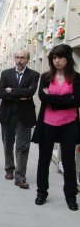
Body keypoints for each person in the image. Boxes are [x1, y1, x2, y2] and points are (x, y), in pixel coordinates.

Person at [31, 44, 80, 211]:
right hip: (48, 124)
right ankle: (42, 192)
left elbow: (77, 100)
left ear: (68, 58)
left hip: (69, 124)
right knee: (43, 160)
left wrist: (52, 98)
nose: (57, 61)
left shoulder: (76, 78)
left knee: (68, 161)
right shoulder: (46, 77)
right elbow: (42, 97)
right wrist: (66, 99)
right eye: (54, 58)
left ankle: (71, 196)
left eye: (60, 57)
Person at [0, 49, 40, 189]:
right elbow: (2, 93)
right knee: (7, 144)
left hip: (25, 115)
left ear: (27, 59)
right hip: (8, 113)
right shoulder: (6, 73)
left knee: (23, 146)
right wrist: (20, 94)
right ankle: (9, 169)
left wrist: (11, 90)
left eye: (22, 57)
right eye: (17, 57)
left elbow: (31, 92)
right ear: (13, 58)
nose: (19, 60)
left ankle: (20, 176)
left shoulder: (34, 74)